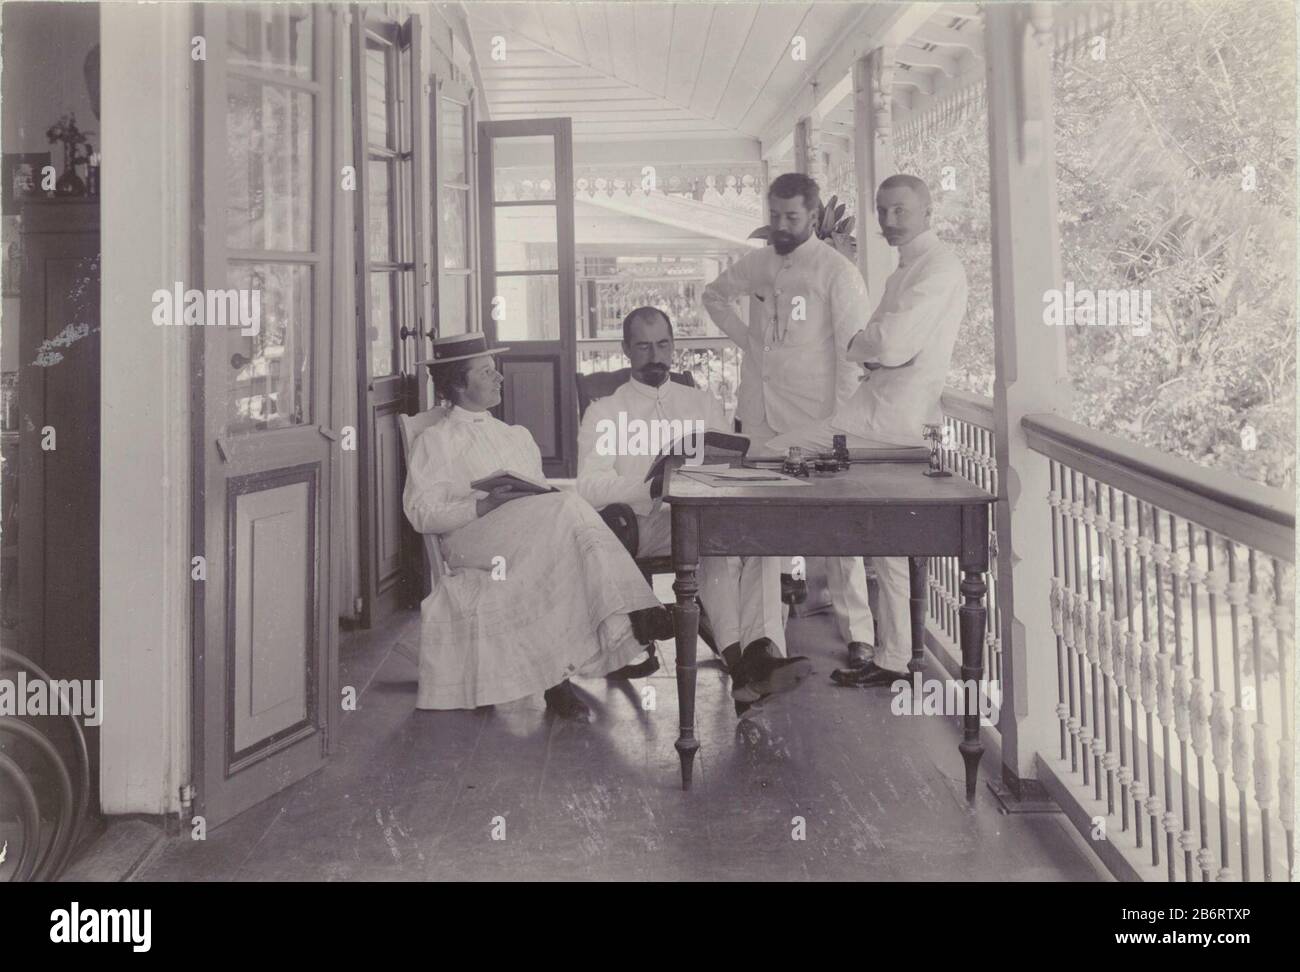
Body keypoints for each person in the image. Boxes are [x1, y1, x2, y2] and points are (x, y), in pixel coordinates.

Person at [763, 173, 969, 687]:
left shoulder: (938, 268)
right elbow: (887, 346)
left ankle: (768, 620)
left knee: (770, 453)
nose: (890, 221)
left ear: (928, 213)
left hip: (890, 423)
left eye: (901, 210)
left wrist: (861, 345)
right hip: (884, 414)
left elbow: (890, 343)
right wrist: (876, 349)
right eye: (882, 211)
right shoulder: (910, 269)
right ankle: (895, 658)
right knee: (889, 547)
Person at [402, 334, 674, 721]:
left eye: (494, 369)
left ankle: (558, 680)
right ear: (459, 384)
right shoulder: (436, 440)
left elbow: (535, 496)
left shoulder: (515, 435)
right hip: (471, 539)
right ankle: (634, 611)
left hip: (526, 535)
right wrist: (481, 504)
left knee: (560, 522)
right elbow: (421, 513)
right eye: (485, 372)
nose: (498, 378)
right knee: (565, 506)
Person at [577, 307, 810, 714]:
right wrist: (649, 486)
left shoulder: (701, 402)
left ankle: (755, 656)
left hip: (704, 515)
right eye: (644, 346)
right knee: (713, 544)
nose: (656, 355)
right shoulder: (605, 412)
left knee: (756, 540)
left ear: (674, 345)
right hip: (647, 521)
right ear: (626, 350)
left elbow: (727, 462)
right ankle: (753, 662)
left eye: (663, 344)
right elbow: (590, 487)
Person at [702, 172, 878, 670]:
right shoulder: (757, 264)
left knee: (837, 524)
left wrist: (841, 422)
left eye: (792, 218)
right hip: (758, 415)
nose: (781, 226)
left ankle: (859, 633)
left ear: (812, 215)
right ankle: (766, 641)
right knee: (761, 524)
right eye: (774, 216)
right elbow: (714, 296)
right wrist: (748, 342)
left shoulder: (836, 272)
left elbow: (851, 353)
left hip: (815, 417)